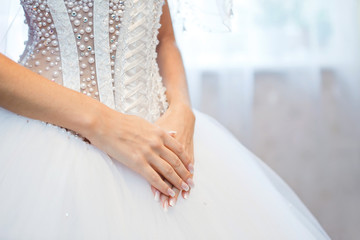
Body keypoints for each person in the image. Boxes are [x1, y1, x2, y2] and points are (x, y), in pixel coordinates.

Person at [0, 0, 330, 239]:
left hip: (162, 137)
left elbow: (163, 39)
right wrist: (103, 124)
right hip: (51, 145)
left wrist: (182, 110)